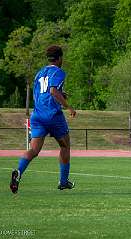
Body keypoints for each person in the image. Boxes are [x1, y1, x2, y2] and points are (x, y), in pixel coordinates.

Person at [10, 45, 77, 194]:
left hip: (37, 115)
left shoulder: (39, 73)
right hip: (52, 114)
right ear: (60, 58)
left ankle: (18, 172)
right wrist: (68, 107)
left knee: (33, 149)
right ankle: (63, 181)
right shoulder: (59, 72)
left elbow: (40, 93)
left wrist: (59, 93)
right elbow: (53, 91)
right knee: (65, 146)